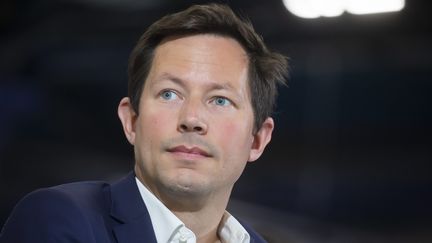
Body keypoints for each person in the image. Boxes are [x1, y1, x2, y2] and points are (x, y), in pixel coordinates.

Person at [0, 3, 288, 243]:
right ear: (131, 121)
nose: (191, 119)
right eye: (169, 94)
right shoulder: (61, 220)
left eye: (220, 100)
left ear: (257, 139)